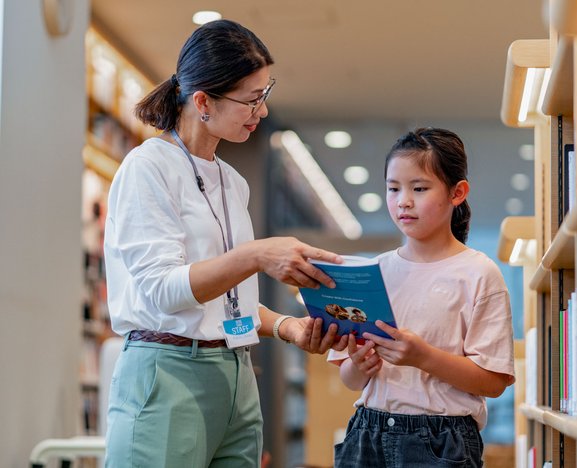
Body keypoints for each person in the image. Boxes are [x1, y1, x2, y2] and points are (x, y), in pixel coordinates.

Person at [103, 19, 347, 467]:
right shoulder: (148, 168)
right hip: (168, 370)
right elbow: (165, 291)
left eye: (264, 95)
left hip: (235, 372)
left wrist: (286, 327)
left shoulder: (232, 182)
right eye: (252, 100)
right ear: (202, 102)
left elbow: (229, 309)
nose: (263, 111)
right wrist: (256, 255)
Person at [329, 127, 515, 467]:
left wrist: (422, 357)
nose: (403, 201)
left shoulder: (478, 273)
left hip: (442, 439)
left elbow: (494, 381)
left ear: (457, 193)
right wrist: (358, 366)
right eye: (393, 188)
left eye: (419, 188)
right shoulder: (371, 272)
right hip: (366, 432)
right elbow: (349, 379)